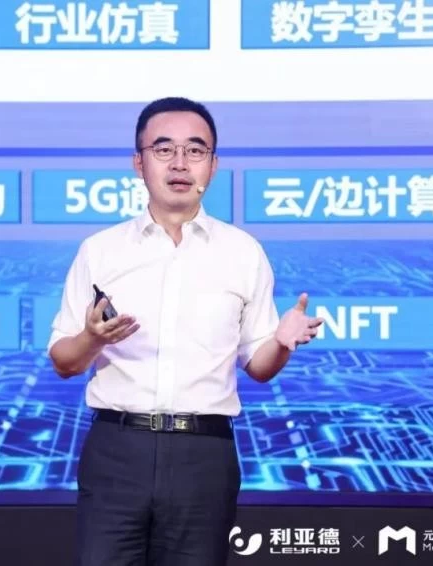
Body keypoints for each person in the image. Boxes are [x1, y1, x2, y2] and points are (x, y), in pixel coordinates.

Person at [47, 97, 324, 566]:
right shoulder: (101, 251)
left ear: (213, 165)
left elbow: (259, 368)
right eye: (163, 149)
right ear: (139, 163)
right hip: (118, 449)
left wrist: (280, 343)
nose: (179, 163)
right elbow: (64, 362)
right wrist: (94, 338)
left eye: (195, 151)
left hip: (204, 454)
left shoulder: (243, 252)